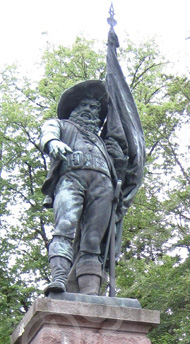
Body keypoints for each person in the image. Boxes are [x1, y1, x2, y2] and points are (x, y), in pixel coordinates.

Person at [39, 80, 128, 296]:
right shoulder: (63, 126)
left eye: (94, 108)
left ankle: (90, 293)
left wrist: (117, 157)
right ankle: (59, 279)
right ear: (75, 109)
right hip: (71, 180)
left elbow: (121, 169)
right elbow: (47, 134)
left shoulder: (101, 141)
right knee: (65, 229)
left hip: (103, 186)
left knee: (93, 240)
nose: (90, 111)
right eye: (85, 106)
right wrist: (53, 143)